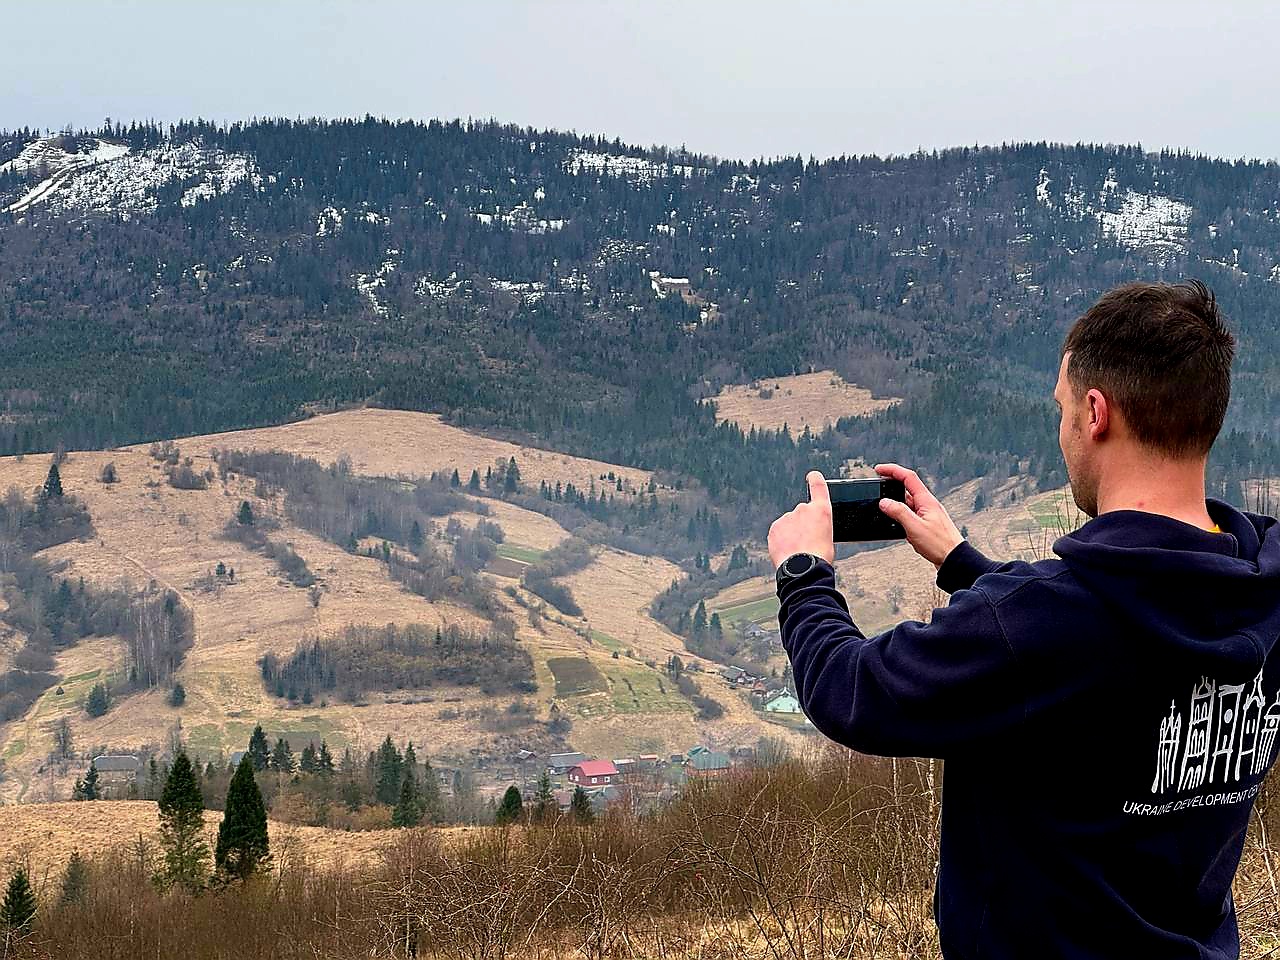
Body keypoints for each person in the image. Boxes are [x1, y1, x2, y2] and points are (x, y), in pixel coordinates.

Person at [767, 279, 1280, 959]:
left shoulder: (1046, 622)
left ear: (1096, 414)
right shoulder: (1261, 593)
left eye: (1062, 407)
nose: (1062, 427)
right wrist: (962, 564)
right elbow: (1109, 658)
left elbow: (850, 691)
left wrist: (804, 577)